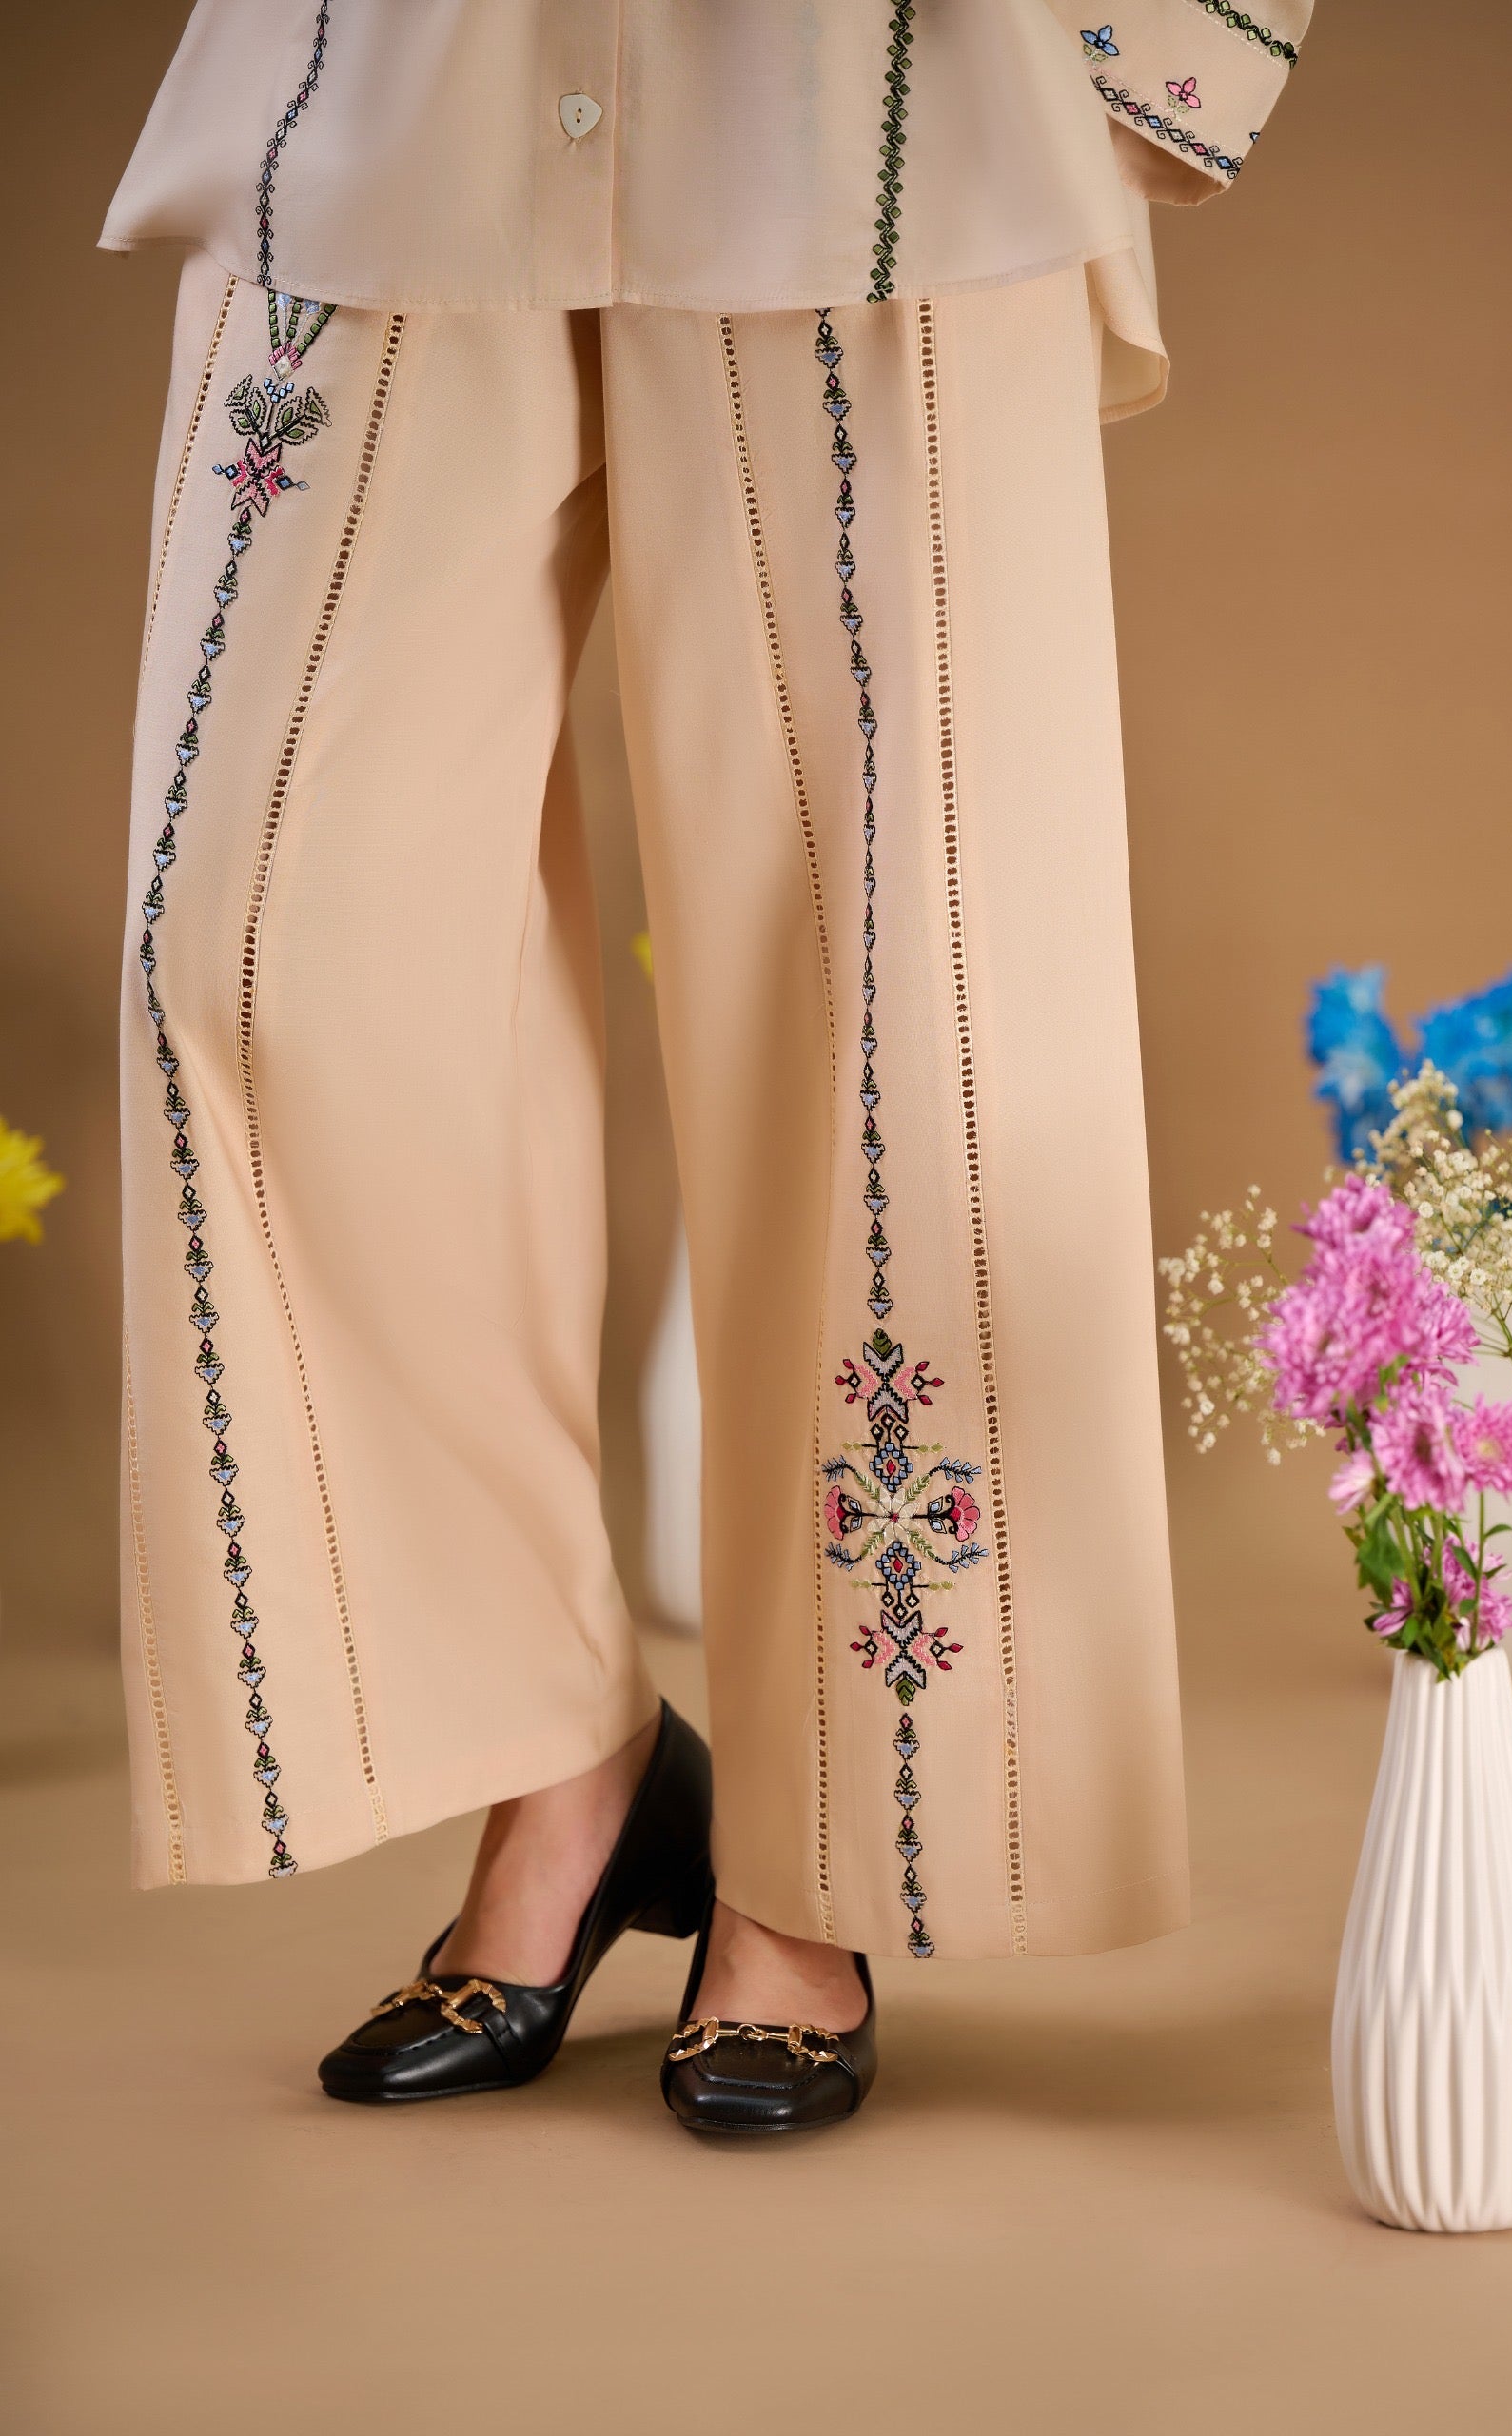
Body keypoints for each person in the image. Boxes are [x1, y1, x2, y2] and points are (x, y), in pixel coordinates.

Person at [104, 0, 1311, 2133]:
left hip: (876, 87)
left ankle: (817, 1856)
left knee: (888, 986)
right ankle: (568, 1750)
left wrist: (1148, 53)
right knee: (249, 942)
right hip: (403, 73)